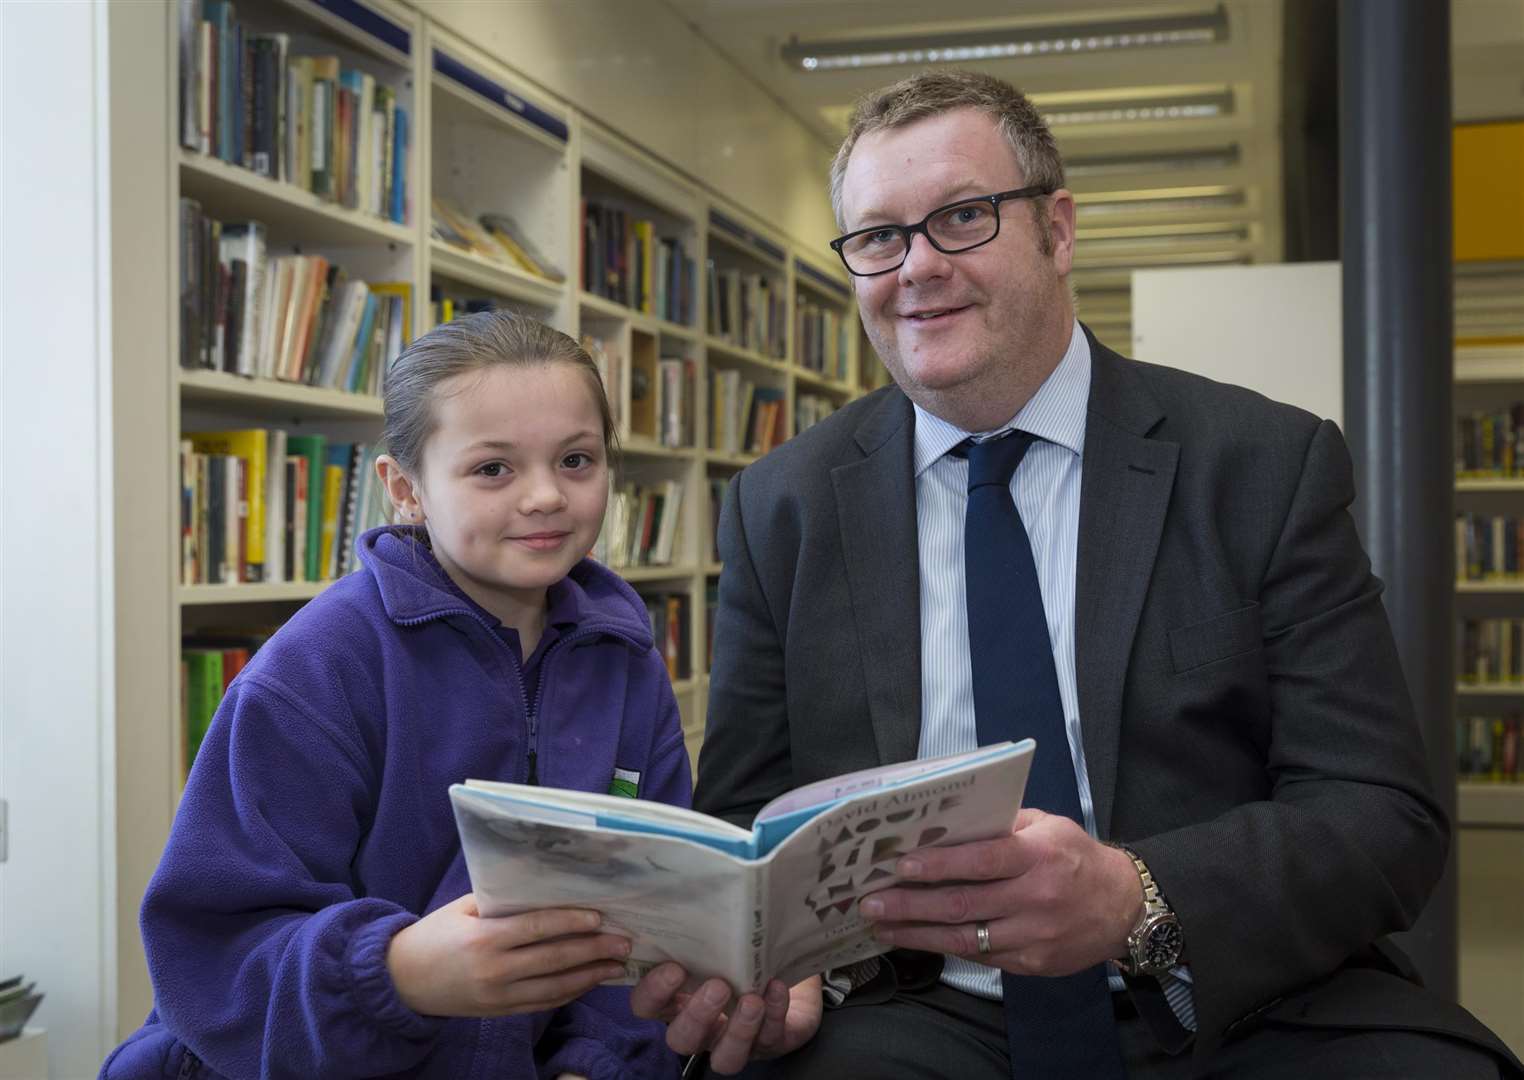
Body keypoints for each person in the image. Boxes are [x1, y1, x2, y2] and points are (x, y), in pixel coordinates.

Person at [632, 71, 1522, 1078]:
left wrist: (1135, 896)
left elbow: (1379, 813)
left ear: (1058, 230)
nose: (916, 267)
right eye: (878, 236)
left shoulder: (1262, 465)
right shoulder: (779, 507)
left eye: (963, 217)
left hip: (1222, 996)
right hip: (915, 1008)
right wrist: (758, 960)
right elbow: (747, 819)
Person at [103, 312, 690, 1080]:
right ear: (405, 489)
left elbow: (648, 919)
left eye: (576, 459)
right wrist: (399, 974)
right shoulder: (316, 669)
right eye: (493, 469)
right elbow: (212, 961)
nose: (546, 496)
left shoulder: (630, 663)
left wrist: (593, 1063)